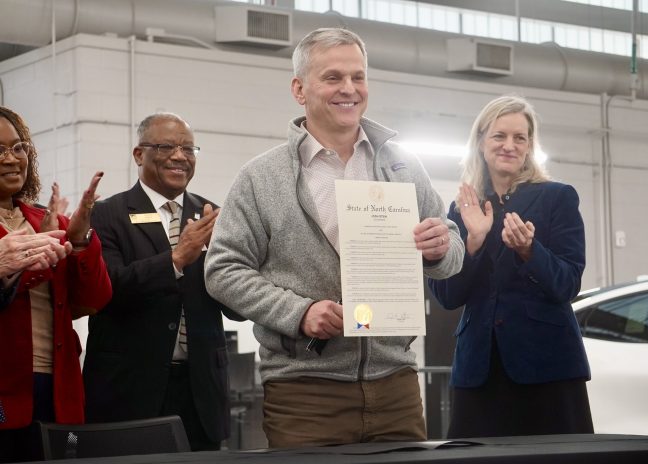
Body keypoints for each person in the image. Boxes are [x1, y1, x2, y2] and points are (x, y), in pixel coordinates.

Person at [204, 27, 464, 448]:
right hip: (305, 391)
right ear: (299, 89)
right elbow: (222, 270)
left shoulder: (402, 166)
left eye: (358, 77)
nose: (350, 89)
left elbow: (451, 251)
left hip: (396, 383)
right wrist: (299, 312)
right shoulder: (261, 177)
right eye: (333, 77)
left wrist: (440, 248)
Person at [428, 95, 593, 438]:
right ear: (481, 142)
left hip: (546, 367)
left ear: (530, 145)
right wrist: (472, 241)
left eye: (520, 137)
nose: (509, 145)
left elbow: (567, 284)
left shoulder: (557, 197)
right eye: (499, 136)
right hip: (479, 368)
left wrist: (530, 251)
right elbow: (447, 295)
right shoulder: (462, 208)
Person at [82, 113, 244, 451]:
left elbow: (236, 310)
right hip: (130, 389)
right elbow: (106, 290)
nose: (179, 156)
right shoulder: (107, 214)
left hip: (200, 390)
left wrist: (233, 270)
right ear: (139, 154)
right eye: (166, 146)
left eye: (188, 148)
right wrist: (175, 259)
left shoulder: (213, 214)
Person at [0, 106, 112, 462]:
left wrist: (80, 240)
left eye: (18, 148)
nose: (11, 159)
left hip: (57, 386)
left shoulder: (46, 220)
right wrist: (32, 264)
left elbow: (94, 299)